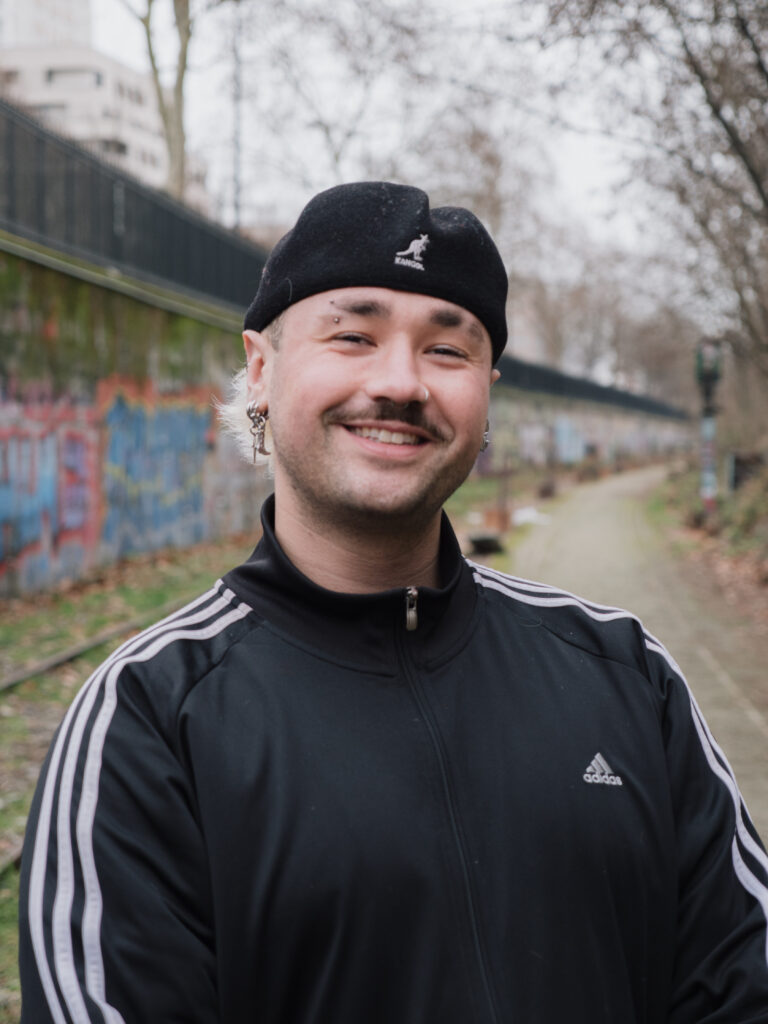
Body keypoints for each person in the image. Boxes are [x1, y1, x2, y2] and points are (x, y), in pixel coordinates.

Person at [18, 181, 768, 1023]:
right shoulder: (147, 718)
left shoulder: (627, 675)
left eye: (448, 350)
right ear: (261, 372)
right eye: (352, 335)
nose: (401, 382)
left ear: (487, 395)